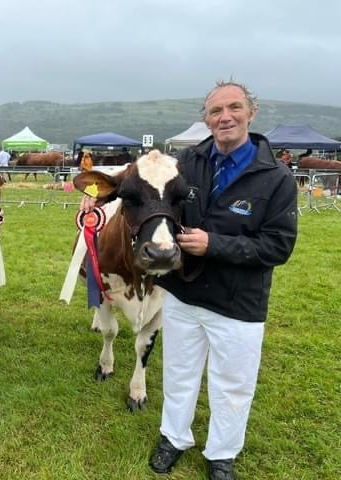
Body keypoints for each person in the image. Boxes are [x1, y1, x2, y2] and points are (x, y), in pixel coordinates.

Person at [146, 81, 298, 479]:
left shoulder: (277, 177)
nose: (224, 117)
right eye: (215, 111)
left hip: (238, 301)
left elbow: (277, 247)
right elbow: (147, 188)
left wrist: (214, 244)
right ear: (206, 119)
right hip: (185, 292)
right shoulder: (187, 162)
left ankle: (221, 454)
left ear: (251, 113)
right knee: (178, 372)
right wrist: (98, 196)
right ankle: (173, 437)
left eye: (234, 108)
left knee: (232, 384)